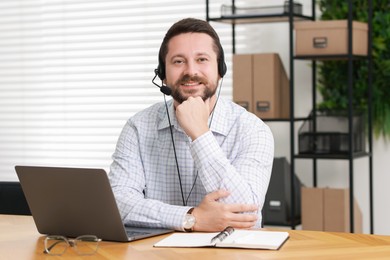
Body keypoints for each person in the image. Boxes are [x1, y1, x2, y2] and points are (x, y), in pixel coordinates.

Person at [109, 17, 274, 232]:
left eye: (202, 59)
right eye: (178, 61)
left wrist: (200, 134)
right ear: (162, 74)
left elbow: (245, 213)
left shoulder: (253, 129)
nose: (191, 71)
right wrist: (191, 218)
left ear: (220, 69)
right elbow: (118, 203)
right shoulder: (138, 127)